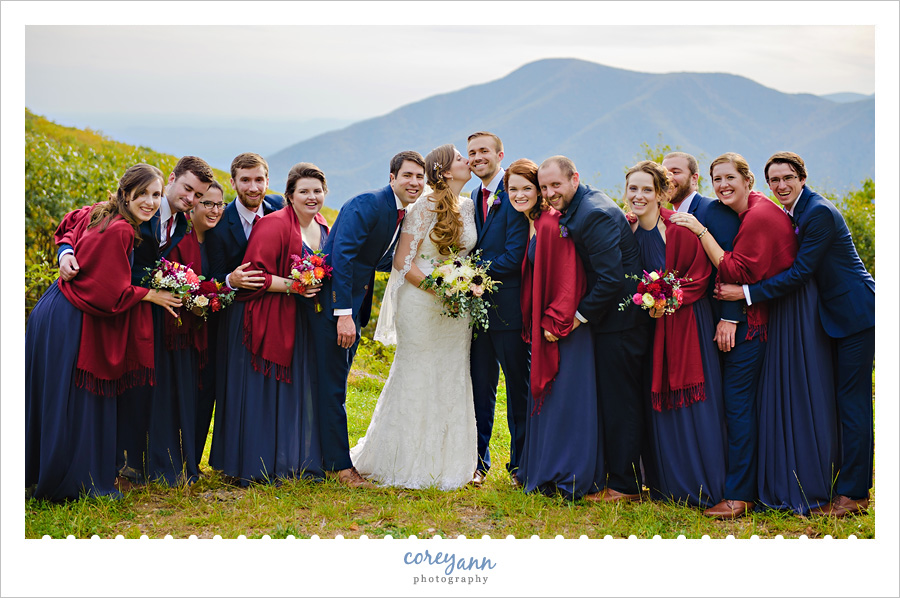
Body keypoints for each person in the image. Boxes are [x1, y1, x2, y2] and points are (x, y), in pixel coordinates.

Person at [717, 151, 869, 517]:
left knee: (854, 405)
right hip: (830, 316)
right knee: (837, 400)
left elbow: (801, 272)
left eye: (787, 178)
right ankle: (836, 480)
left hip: (855, 314)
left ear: (803, 178)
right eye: (775, 180)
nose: (781, 185)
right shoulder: (791, 210)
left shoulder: (817, 212)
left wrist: (745, 293)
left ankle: (855, 493)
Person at [26, 164, 182, 500]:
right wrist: (153, 294)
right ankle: (72, 480)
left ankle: (39, 471)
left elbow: (68, 221)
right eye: (143, 194)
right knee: (77, 401)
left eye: (156, 195)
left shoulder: (100, 210)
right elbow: (110, 295)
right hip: (74, 316)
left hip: (53, 309)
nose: (151, 202)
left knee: (54, 396)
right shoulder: (122, 230)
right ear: (126, 193)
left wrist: (65, 250)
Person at [670, 152, 796, 518]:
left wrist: (699, 230)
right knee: (740, 404)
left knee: (737, 405)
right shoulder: (750, 210)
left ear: (748, 181)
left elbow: (734, 269)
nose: (723, 185)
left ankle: (740, 496)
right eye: (717, 180)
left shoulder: (756, 215)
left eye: (729, 178)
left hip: (753, 323)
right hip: (760, 313)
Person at [351, 144, 478, 490]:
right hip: (422, 303)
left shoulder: (468, 206)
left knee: (452, 374)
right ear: (447, 171)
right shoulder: (424, 205)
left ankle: (449, 462)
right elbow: (402, 261)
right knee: (418, 373)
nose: (470, 162)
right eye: (462, 159)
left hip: (456, 310)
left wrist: (463, 286)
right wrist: (441, 289)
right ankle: (402, 461)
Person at [308, 151, 425, 488]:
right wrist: (343, 314)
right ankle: (341, 468)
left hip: (353, 309)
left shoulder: (399, 212)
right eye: (408, 175)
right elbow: (341, 255)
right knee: (332, 389)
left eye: (419, 177)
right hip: (333, 309)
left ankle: (324, 458)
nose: (414, 182)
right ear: (392, 178)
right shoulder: (369, 203)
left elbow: (381, 258)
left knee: (335, 385)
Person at [209, 163, 329, 486]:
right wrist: (295, 286)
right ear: (289, 195)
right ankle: (256, 463)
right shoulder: (272, 225)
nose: (311, 196)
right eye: (303, 191)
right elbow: (253, 277)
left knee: (291, 394)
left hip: (298, 319)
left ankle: (291, 459)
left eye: (317, 191)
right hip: (261, 316)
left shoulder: (321, 223)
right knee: (262, 395)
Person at [537, 156, 648, 503]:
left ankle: (624, 485)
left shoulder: (592, 214)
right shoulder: (582, 206)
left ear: (574, 179)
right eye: (544, 187)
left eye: (556, 185)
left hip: (621, 323)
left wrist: (577, 318)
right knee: (615, 400)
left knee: (621, 403)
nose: (550, 193)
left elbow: (611, 279)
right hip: (613, 321)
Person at [623, 161, 726, 508]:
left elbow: (700, 275)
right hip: (653, 329)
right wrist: (648, 302)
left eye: (647, 190)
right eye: (633, 189)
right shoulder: (631, 231)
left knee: (693, 402)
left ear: (662, 193)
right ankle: (668, 484)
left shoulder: (679, 228)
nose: (639, 196)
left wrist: (668, 300)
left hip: (688, 325)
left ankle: (701, 483)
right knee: (659, 403)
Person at [506, 158, 603, 500]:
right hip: (544, 324)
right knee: (549, 400)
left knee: (566, 399)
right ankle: (544, 467)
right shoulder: (534, 222)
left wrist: (556, 321)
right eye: (513, 189)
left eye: (529, 189)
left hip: (562, 328)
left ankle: (567, 474)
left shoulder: (551, 222)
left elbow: (568, 274)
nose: (522, 195)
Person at [114, 156, 215, 486]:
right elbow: (85, 224)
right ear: (171, 178)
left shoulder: (183, 223)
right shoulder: (141, 204)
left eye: (198, 196)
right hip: (120, 303)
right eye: (187, 189)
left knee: (147, 384)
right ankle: (123, 460)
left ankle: (142, 460)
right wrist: (65, 252)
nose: (191, 199)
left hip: (149, 312)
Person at [466, 132, 530, 488]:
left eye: (484, 151)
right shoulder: (475, 196)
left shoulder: (516, 192)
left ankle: (521, 464)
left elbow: (514, 254)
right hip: (477, 312)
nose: (477, 157)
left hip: (509, 309)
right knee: (479, 387)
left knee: (517, 390)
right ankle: (477, 462)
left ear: (499, 154)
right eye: (472, 152)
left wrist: (470, 275)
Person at [185, 180, 225, 467]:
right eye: (207, 203)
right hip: (179, 333)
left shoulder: (215, 239)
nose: (214, 210)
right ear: (193, 204)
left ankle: (192, 460)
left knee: (204, 396)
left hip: (209, 331)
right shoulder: (179, 237)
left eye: (218, 204)